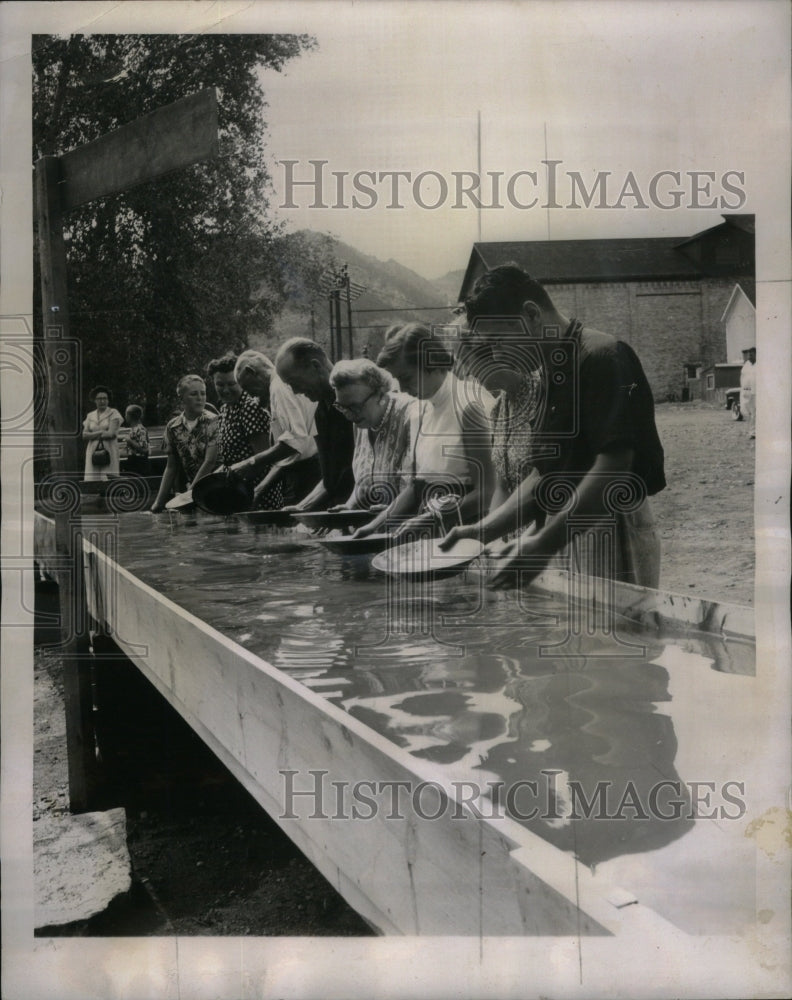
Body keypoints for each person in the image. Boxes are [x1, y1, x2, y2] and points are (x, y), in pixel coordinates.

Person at [441, 265, 665, 590]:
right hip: (568, 528)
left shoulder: (602, 357)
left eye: (500, 340)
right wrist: (485, 530)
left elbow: (613, 467)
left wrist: (544, 542)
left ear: (531, 314)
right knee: (581, 637)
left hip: (612, 527)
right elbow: (546, 474)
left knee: (618, 634)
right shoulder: (550, 372)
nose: (498, 353)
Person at [355, 322, 495, 538]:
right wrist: (374, 527)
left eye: (406, 378)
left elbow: (488, 493)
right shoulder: (419, 409)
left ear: (430, 362)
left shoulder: (469, 405)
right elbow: (417, 486)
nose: (401, 389)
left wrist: (434, 518)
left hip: (469, 530)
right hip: (432, 527)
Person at [229, 349, 321, 507]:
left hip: (309, 474)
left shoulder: (278, 387)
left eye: (247, 387)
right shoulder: (277, 388)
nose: (251, 395)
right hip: (304, 472)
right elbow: (290, 453)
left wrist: (251, 462)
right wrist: (259, 490)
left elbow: (295, 442)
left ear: (252, 372)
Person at [275, 338, 355, 511]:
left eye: (294, 382)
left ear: (316, 366)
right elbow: (330, 482)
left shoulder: (356, 403)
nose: (296, 391)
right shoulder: (320, 412)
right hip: (340, 510)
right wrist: (300, 509)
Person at [328, 359, 418, 510]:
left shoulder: (411, 413)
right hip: (372, 523)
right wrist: (350, 506)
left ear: (380, 394)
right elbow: (363, 482)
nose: (349, 416)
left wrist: (393, 510)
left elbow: (419, 485)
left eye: (355, 407)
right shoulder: (360, 421)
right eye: (342, 407)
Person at [206, 353, 284, 508]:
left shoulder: (249, 407)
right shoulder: (225, 410)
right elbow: (231, 460)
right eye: (220, 385)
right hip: (237, 492)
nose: (226, 390)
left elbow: (264, 458)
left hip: (259, 492)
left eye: (231, 384)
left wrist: (257, 491)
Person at [151, 374, 219, 512]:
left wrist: (189, 494)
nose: (200, 398)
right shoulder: (172, 427)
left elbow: (210, 461)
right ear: (181, 398)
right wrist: (158, 502)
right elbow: (171, 467)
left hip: (217, 489)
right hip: (192, 492)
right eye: (194, 394)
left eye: (203, 393)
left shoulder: (214, 421)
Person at [82, 385, 123, 481]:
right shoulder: (90, 415)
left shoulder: (114, 413)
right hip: (93, 449)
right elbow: (84, 435)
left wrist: (92, 435)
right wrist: (101, 432)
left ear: (108, 400)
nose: (102, 401)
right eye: (99, 399)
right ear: (95, 400)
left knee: (108, 475)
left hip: (109, 448)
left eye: (105, 398)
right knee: (93, 476)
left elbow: (111, 434)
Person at [123, 403, 150, 476]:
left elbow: (144, 449)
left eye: (126, 414)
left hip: (139, 463)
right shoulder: (133, 429)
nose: (125, 416)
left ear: (130, 416)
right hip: (133, 461)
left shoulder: (140, 430)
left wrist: (129, 441)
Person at [739, 346, 756, 440]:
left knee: (757, 413)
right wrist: (744, 390)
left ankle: (756, 432)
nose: (750, 355)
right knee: (749, 412)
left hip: (758, 392)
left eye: (752, 354)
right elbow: (743, 379)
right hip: (748, 392)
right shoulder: (746, 366)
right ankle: (752, 431)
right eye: (749, 354)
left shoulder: (760, 365)